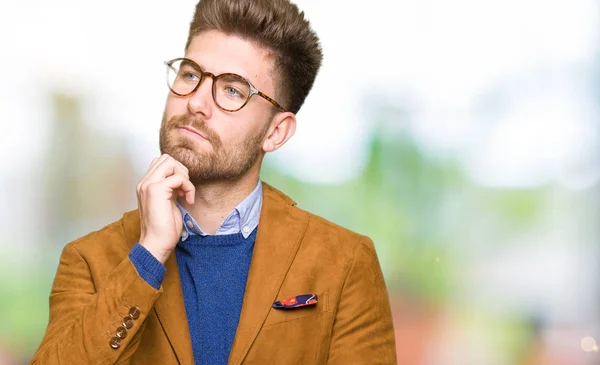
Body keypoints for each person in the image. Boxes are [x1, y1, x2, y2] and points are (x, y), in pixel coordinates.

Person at [31, 0, 397, 364]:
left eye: (233, 90)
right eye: (190, 74)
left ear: (276, 132)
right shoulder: (88, 260)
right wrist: (149, 254)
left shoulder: (345, 262)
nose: (196, 103)